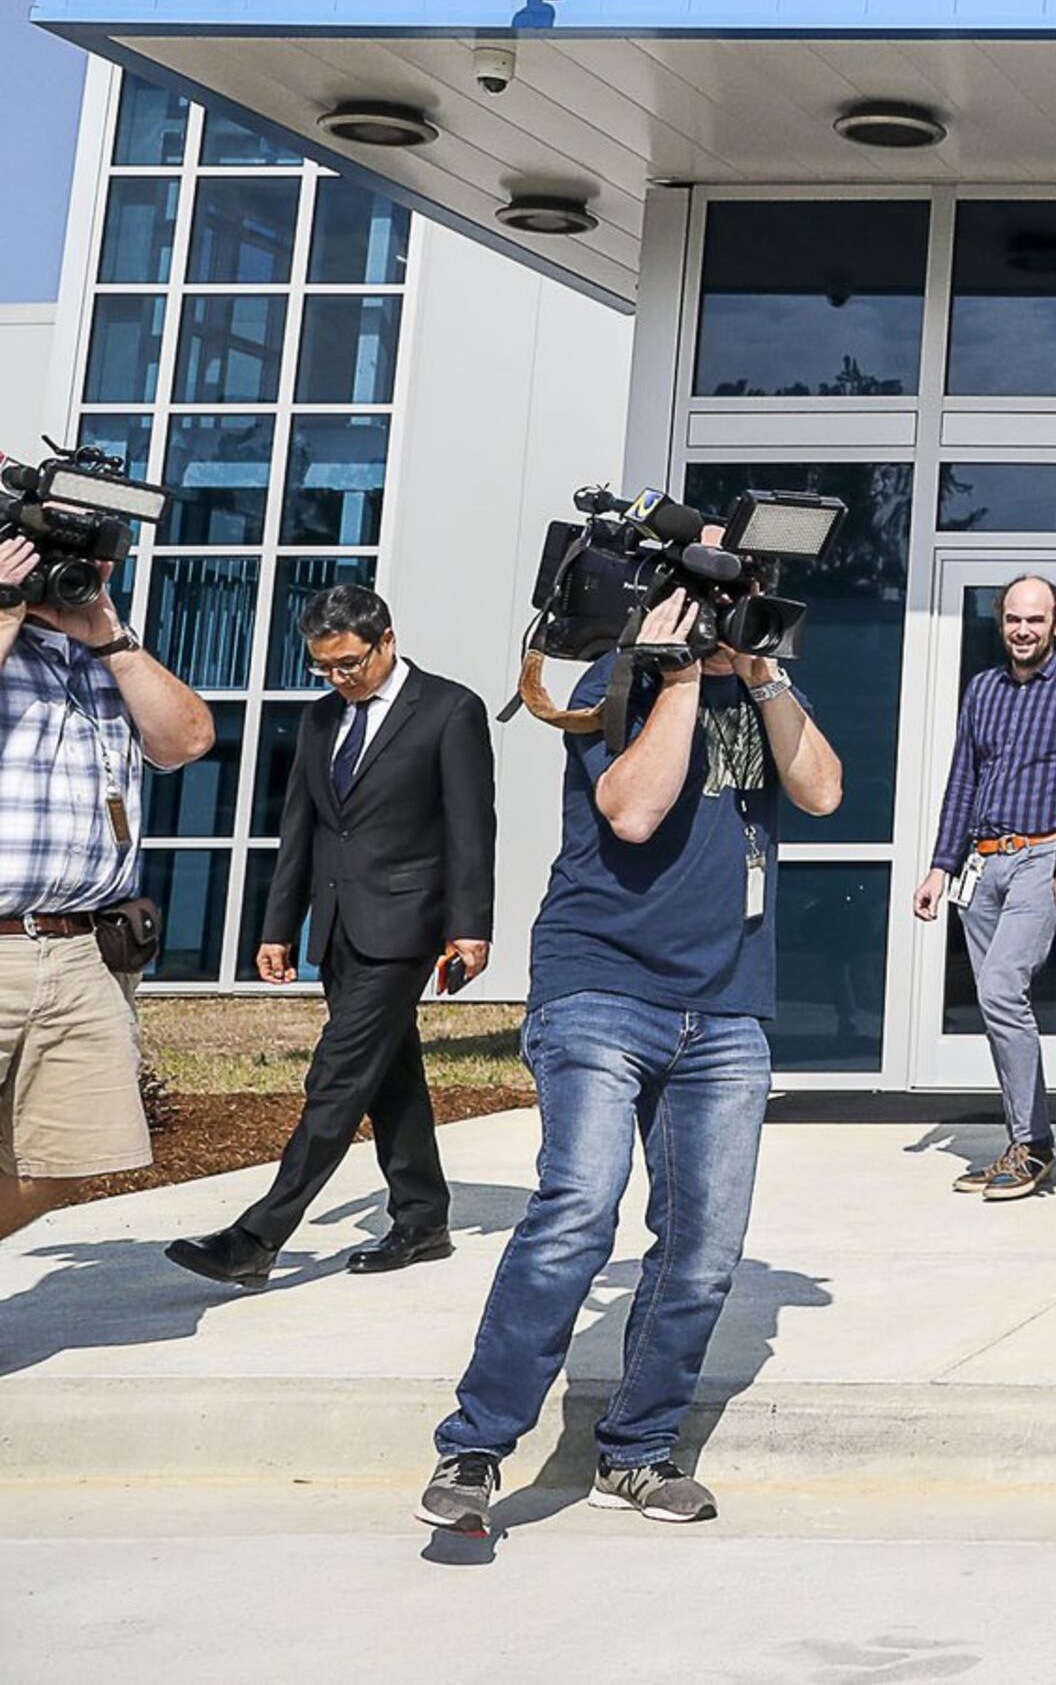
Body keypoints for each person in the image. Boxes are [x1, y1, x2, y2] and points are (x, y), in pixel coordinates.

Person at [415, 561, 845, 1537]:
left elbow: (819, 791)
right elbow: (635, 809)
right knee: (578, 1209)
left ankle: (637, 1453)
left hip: (726, 1009)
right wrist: (680, 674)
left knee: (702, 1249)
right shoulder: (614, 683)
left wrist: (764, 674)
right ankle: (477, 1444)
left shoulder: (755, 691)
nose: (728, 624)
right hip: (601, 991)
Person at [168, 585, 494, 1287]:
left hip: (407, 925)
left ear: (386, 640)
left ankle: (257, 1236)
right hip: (339, 926)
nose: (340, 678)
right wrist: (278, 927)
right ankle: (423, 1218)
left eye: (349, 663)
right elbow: (302, 829)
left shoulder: (448, 708)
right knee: (390, 1073)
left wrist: (470, 927)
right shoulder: (320, 720)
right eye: (325, 667)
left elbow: (472, 825)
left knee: (337, 1076)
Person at [0, 535, 214, 1249]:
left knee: (67, 1159)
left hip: (83, 948)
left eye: (99, 550)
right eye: (58, 545)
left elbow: (187, 739)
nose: (84, 565)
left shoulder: (106, 657)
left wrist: (110, 637)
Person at [912, 576, 1056, 1203]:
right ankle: (1027, 1137)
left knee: (1000, 988)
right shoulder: (983, 689)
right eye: (1013, 619)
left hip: (1043, 857)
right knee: (997, 1004)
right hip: (983, 862)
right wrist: (942, 865)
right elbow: (962, 780)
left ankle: (1034, 1144)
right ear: (1002, 623)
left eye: (1036, 620)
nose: (1023, 630)